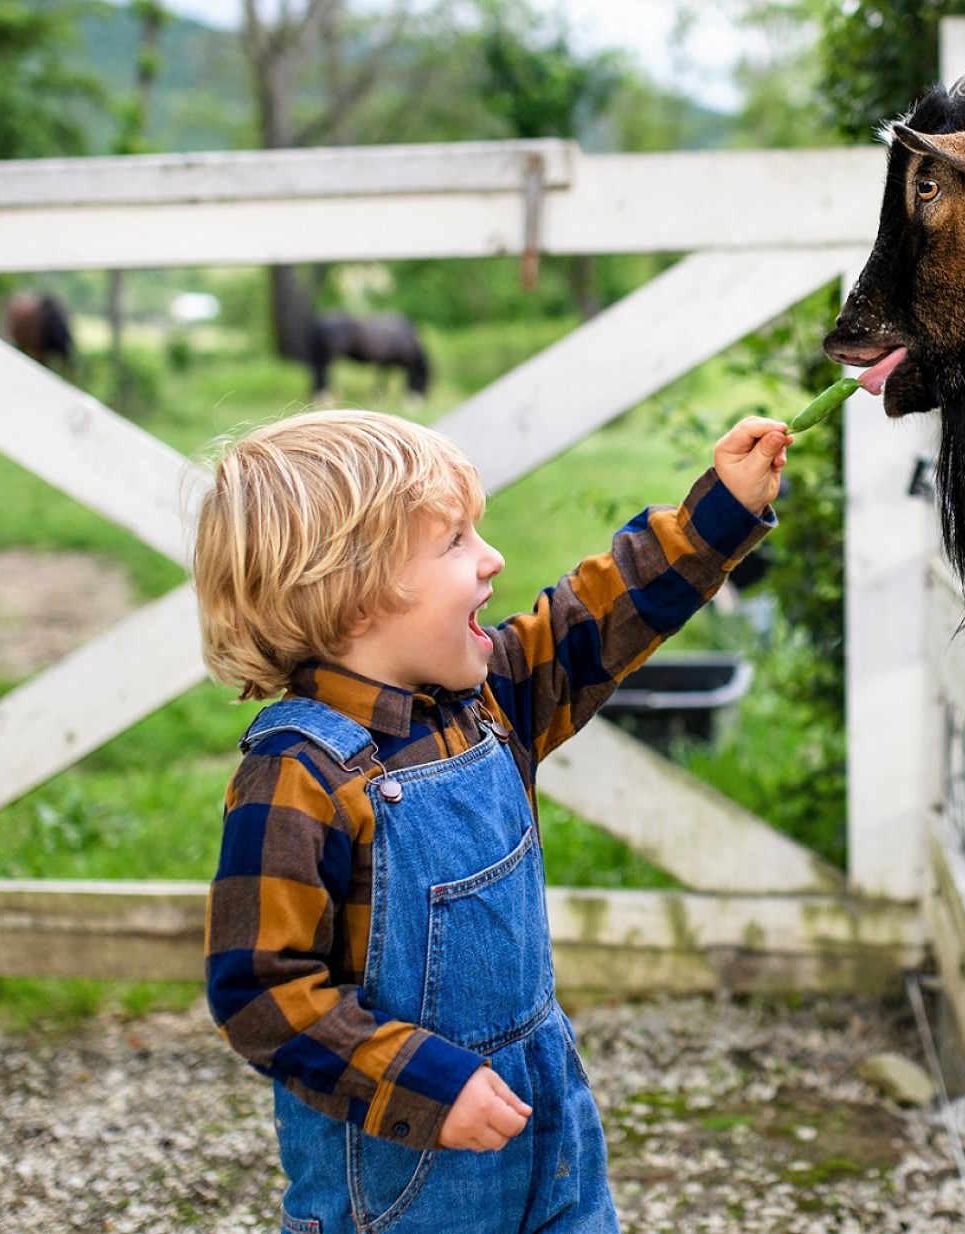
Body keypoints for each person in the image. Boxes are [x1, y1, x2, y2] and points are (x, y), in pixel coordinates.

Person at [192, 408, 789, 1234]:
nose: (492, 560)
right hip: (404, 1174)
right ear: (354, 594)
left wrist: (718, 512)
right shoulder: (297, 775)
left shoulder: (490, 701)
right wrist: (424, 1087)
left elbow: (599, 617)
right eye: (455, 544)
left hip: (547, 1118)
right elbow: (260, 990)